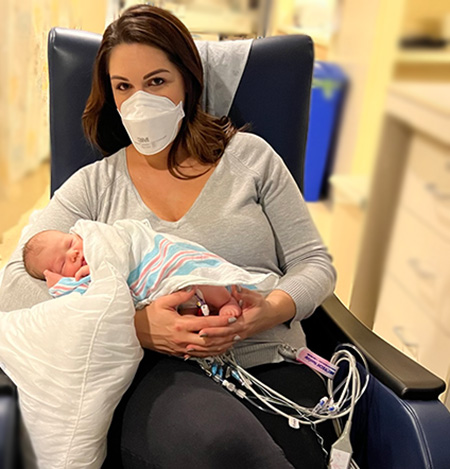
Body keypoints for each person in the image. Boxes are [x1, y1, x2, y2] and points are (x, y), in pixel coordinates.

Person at [0, 4, 337, 468]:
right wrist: (134, 325)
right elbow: (15, 282)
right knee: (224, 448)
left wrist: (265, 312)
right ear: (110, 97)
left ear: (187, 83)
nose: (140, 101)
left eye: (156, 81)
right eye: (124, 87)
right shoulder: (95, 186)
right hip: (160, 374)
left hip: (268, 360)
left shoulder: (250, 159)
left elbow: (314, 263)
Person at [21, 218, 278, 317]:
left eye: (69, 243)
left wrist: (105, 262)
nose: (75, 253)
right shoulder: (92, 181)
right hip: (169, 338)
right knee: (187, 308)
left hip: (162, 263)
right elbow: (78, 306)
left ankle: (225, 300)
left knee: (197, 278)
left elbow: (118, 243)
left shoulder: (94, 236)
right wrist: (60, 284)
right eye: (63, 262)